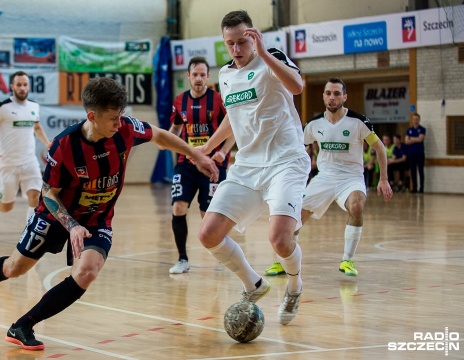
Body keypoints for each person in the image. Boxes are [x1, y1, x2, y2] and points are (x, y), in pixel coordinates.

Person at [0, 77, 219, 350]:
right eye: (113, 119)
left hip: (97, 218)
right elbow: (48, 193)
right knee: (14, 268)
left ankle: (23, 325)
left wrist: (195, 155)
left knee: (87, 272)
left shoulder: (126, 128)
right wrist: (71, 225)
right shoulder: (64, 146)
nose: (119, 124)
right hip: (55, 215)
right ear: (92, 116)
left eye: (121, 116)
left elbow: (160, 135)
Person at [196, 10, 310, 326]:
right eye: (230, 43)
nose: (236, 49)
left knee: (280, 240)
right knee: (208, 233)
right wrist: (207, 148)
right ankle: (253, 284)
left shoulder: (271, 57)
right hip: (247, 166)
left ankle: (296, 285)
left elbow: (297, 86)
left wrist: (263, 55)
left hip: (286, 161)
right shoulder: (225, 75)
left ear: (253, 36)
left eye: (242, 41)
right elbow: (234, 118)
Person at [264, 77, 393, 279]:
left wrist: (383, 179)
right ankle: (282, 261)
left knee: (357, 206)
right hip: (324, 178)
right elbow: (298, 150)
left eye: (336, 94)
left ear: (344, 97)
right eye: (328, 93)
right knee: (293, 217)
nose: (332, 98)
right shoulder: (314, 125)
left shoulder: (358, 122)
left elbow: (380, 148)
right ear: (324, 96)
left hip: (351, 178)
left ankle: (347, 260)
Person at [167, 56, 234, 274]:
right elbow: (176, 129)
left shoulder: (218, 100)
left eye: (202, 75)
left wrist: (223, 152)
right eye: (195, 74)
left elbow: (232, 128)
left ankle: (222, 258)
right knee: (178, 207)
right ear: (188, 76)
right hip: (186, 164)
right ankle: (182, 259)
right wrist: (166, 139)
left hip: (213, 166)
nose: (198, 78)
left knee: (210, 216)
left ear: (208, 77)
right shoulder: (179, 101)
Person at [0, 71, 51, 222]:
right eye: (19, 85)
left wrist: (48, 144)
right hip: (7, 164)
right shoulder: (3, 107)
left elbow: (37, 128)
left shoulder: (34, 106)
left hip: (29, 162)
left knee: (36, 196)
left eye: (25, 85)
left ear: (29, 86)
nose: (22, 88)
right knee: (6, 207)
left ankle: (29, 235)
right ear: (12, 86)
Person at [405, 113, 426, 193]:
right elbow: (406, 141)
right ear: (412, 120)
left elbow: (420, 139)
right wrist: (415, 139)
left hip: (420, 153)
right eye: (414, 119)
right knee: (412, 171)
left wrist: (411, 138)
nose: (415, 121)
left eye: (417, 119)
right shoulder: (409, 130)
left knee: (420, 170)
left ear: (419, 120)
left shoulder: (422, 129)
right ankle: (414, 188)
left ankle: (421, 188)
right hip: (411, 153)